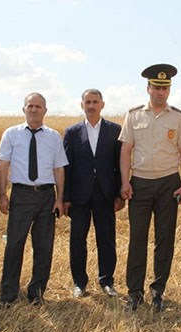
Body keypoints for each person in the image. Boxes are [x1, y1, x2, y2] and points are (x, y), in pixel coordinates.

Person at [119, 64, 181, 312]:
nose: (160, 92)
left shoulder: (178, 117)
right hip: (139, 183)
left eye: (165, 88)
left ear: (169, 90)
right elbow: (126, 150)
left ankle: (158, 291)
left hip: (168, 184)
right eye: (156, 87)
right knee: (137, 239)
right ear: (148, 88)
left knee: (165, 238)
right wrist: (125, 181)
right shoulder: (133, 115)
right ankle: (134, 292)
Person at [0, 92, 67, 307]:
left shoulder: (54, 137)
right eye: (30, 106)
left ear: (45, 111)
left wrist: (60, 198)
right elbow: (3, 164)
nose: (34, 109)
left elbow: (59, 168)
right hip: (21, 194)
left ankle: (36, 293)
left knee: (44, 246)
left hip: (46, 195)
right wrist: (2, 194)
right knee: (14, 244)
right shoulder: (11, 134)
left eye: (38, 106)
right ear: (24, 109)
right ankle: (8, 294)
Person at [63, 89, 123, 298]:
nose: (91, 106)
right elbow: (66, 167)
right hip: (79, 195)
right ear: (82, 105)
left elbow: (119, 164)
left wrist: (119, 194)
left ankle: (107, 281)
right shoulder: (72, 132)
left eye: (95, 102)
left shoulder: (115, 130)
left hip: (105, 193)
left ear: (102, 105)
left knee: (106, 238)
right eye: (87, 102)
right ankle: (79, 283)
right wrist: (65, 197)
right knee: (77, 240)